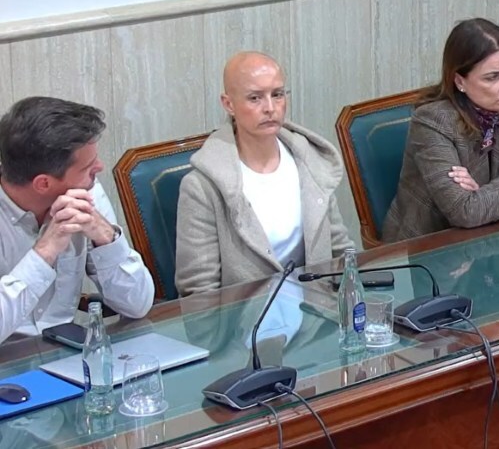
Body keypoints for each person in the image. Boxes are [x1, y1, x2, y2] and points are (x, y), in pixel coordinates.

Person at [175, 52, 354, 296]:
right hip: (246, 326)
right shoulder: (202, 186)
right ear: (228, 104)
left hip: (318, 317)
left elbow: (341, 254)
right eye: (254, 98)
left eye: (277, 94)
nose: (270, 108)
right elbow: (199, 292)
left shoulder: (308, 159)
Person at [381, 18, 499, 241]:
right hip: (432, 249)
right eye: (493, 77)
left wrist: (483, 196)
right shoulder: (432, 121)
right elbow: (465, 212)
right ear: (460, 81)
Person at [0, 97, 153, 342]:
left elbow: (138, 304)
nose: (100, 168)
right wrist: (45, 252)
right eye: (88, 167)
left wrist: (105, 236)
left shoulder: (87, 192)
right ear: (43, 183)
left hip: (67, 353)